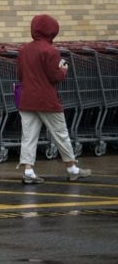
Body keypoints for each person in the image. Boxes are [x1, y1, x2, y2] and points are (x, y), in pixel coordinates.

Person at [16, 14, 91, 184]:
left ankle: (28, 171)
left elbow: (20, 75)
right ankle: (72, 168)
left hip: (27, 99)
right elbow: (55, 77)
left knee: (28, 136)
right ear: (52, 30)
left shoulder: (24, 50)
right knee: (60, 134)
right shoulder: (51, 51)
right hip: (47, 100)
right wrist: (63, 69)